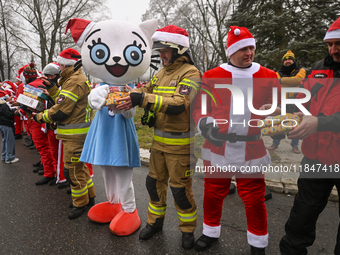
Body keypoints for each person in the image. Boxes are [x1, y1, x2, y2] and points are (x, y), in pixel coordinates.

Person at [191, 26, 281, 255]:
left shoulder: (269, 76)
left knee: (254, 197)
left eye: (251, 47)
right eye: (243, 48)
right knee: (213, 191)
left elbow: (278, 107)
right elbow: (200, 109)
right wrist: (205, 125)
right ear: (231, 51)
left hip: (251, 146)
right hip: (218, 145)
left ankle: (258, 243)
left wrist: (273, 113)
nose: (248, 52)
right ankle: (210, 232)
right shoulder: (211, 76)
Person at [117, 25, 201, 249]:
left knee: (180, 190)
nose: (161, 55)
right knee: (153, 183)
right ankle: (155, 223)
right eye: (160, 50)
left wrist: (142, 100)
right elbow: (146, 90)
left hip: (180, 145)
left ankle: (187, 229)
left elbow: (179, 105)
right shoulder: (161, 73)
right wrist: (128, 93)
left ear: (178, 49)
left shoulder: (191, 73)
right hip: (158, 144)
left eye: (164, 50)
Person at [279, 16, 340, 255]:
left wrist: (321, 123)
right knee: (300, 220)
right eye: (330, 44)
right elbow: (301, 100)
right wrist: (282, 111)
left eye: (338, 44)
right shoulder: (318, 69)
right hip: (317, 158)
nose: (333, 50)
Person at [33, 48, 96, 219]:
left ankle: (80, 203)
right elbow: (65, 99)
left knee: (72, 171)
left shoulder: (74, 81)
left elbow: (61, 110)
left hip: (75, 135)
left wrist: (39, 117)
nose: (58, 67)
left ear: (65, 64)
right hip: (74, 133)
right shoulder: (73, 79)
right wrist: (53, 89)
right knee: (80, 168)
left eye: (60, 64)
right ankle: (90, 197)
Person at [268, 50, 306, 154]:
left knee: (296, 123)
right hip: (282, 102)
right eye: (285, 59)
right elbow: (277, 82)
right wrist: (291, 81)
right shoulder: (277, 72)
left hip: (296, 101)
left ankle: (295, 145)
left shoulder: (301, 70)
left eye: (290, 59)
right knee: (279, 122)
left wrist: (282, 81)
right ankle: (275, 143)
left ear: (293, 60)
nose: (287, 61)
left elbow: (299, 80)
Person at [0, 91, 19, 164]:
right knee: (10, 141)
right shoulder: (3, 105)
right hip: (7, 124)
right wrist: (14, 111)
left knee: (4, 140)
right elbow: (9, 115)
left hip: (1, 124)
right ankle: (10, 157)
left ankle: (4, 156)